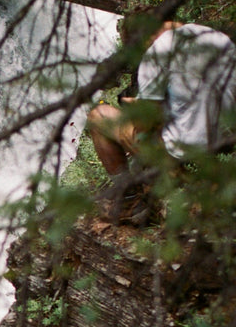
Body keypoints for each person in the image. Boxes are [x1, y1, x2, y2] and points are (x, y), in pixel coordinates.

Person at [87, 22, 236, 219]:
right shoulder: (214, 36)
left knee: (98, 116)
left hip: (187, 151)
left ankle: (131, 202)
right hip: (227, 140)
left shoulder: (157, 54)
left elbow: (146, 125)